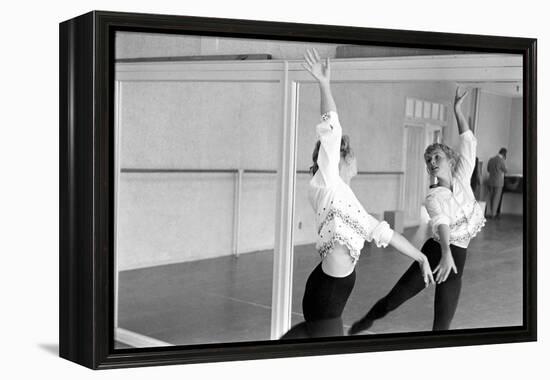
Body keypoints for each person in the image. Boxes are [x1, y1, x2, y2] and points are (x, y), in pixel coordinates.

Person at [280, 49, 434, 339]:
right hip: (326, 294)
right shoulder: (328, 182)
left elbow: (384, 233)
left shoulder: (348, 199)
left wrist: (421, 258)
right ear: (343, 159)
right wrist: (324, 85)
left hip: (332, 292)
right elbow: (331, 130)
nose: (358, 159)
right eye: (355, 155)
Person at [349, 87, 486, 334]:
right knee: (395, 299)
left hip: (457, 259)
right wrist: (445, 253)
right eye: (429, 161)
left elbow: (468, 141)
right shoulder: (433, 197)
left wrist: (457, 110)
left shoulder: (463, 178)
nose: (432, 164)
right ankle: (367, 320)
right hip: (437, 252)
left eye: (436, 158)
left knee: (442, 325)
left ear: (450, 159)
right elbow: (442, 223)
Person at [486, 148, 508, 218]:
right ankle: (493, 214)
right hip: (498, 183)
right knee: (496, 198)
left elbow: (488, 170)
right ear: (504, 154)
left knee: (491, 197)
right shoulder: (501, 161)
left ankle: (489, 212)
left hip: (490, 181)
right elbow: (505, 170)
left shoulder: (491, 159)